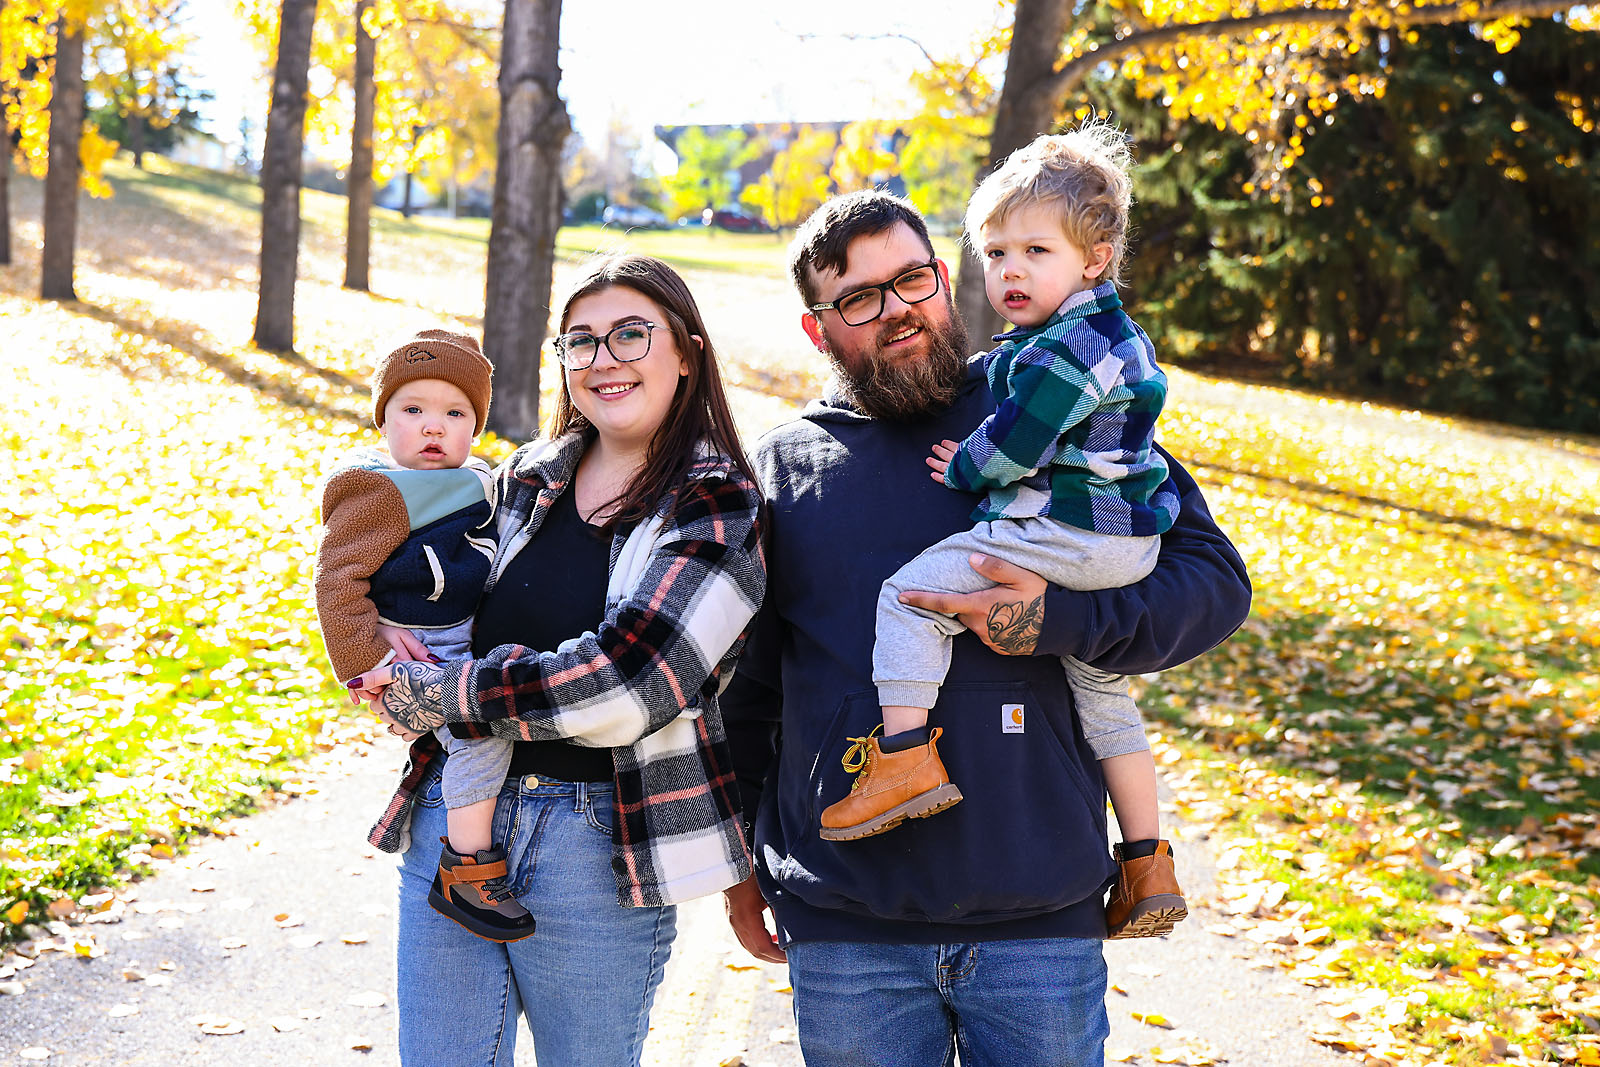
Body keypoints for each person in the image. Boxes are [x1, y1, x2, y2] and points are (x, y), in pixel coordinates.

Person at [720, 189, 1252, 1067]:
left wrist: (1060, 619)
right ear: (818, 330)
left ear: (943, 277)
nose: (898, 309)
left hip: (1038, 919)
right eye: (860, 298)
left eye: (912, 279)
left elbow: (1213, 585)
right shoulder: (785, 466)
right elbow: (750, 694)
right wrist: (741, 865)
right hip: (848, 928)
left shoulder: (1047, 397)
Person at [342, 255, 766, 1067]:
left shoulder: (717, 502)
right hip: (454, 818)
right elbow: (421, 583)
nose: (604, 359)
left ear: (687, 353)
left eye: (631, 334)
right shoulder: (523, 478)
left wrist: (445, 691)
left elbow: (632, 683)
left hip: (601, 840)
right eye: (581, 341)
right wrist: (380, 636)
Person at [816, 127, 1187, 940]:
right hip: (1120, 540)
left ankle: (903, 756)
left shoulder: (1066, 350)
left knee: (910, 598)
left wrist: (964, 465)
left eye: (1035, 251)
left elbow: (1015, 445)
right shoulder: (1104, 337)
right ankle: (1147, 861)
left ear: (1095, 258)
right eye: (996, 252)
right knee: (1104, 696)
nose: (1011, 271)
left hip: (1074, 531)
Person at [315, 327, 535, 944]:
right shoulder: (381, 490)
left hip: (458, 632)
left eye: (455, 414)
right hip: (420, 640)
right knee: (479, 735)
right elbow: (337, 579)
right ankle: (468, 868)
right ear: (383, 421)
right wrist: (366, 660)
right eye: (412, 410)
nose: (433, 427)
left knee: (483, 714)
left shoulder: (477, 479)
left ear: (476, 427)